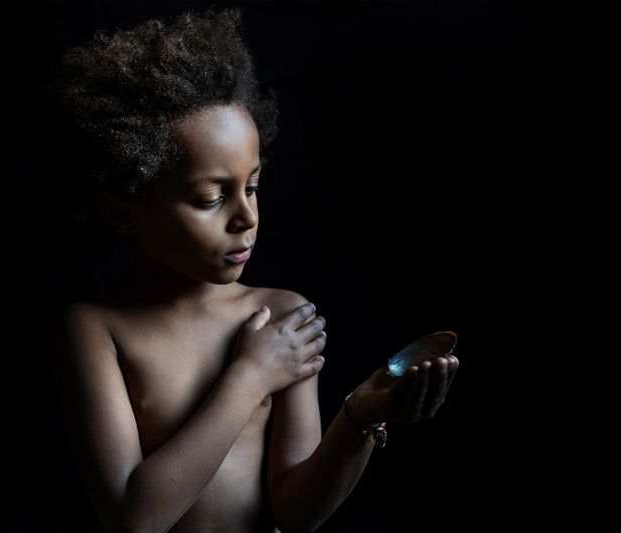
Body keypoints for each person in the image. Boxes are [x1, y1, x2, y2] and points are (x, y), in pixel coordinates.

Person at [51, 7, 459, 533]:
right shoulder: (94, 331)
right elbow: (136, 518)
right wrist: (251, 376)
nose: (246, 216)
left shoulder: (283, 318)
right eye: (210, 198)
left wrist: (359, 417)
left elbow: (296, 511)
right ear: (123, 213)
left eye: (252, 186)